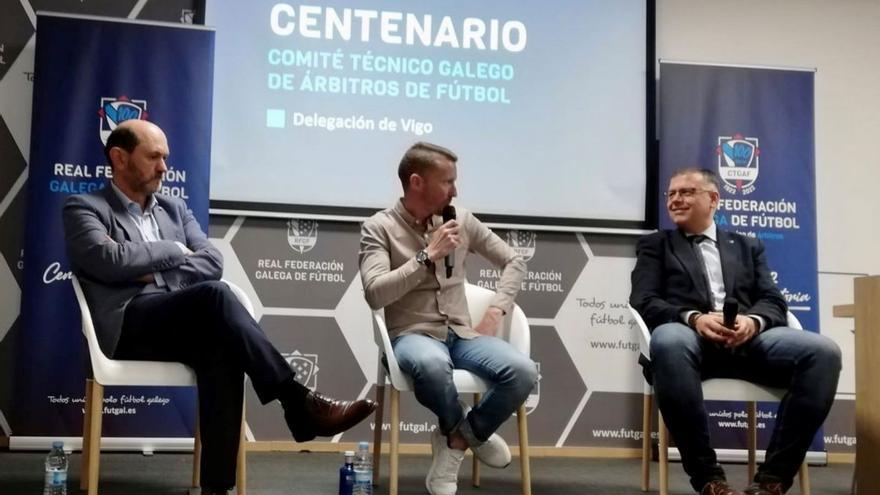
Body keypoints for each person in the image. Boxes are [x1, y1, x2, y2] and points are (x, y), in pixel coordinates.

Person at [63, 119, 376, 495]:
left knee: (222, 349)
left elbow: (212, 261)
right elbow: (107, 259)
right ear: (119, 158)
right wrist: (174, 251)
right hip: (129, 326)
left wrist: (153, 274)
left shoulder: (174, 209)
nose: (164, 167)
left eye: (165, 157)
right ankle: (298, 401)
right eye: (154, 157)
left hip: (180, 321)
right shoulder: (84, 207)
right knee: (215, 296)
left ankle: (217, 488)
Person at [630, 168, 841, 495]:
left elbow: (772, 300)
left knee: (824, 352)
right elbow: (643, 300)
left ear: (713, 199)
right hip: (689, 344)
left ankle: (772, 481)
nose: (675, 199)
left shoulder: (747, 246)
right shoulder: (656, 245)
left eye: (686, 192)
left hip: (749, 343)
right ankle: (708, 479)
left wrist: (753, 322)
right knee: (668, 339)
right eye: (671, 194)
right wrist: (693, 318)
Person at [359, 142, 538, 495]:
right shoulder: (378, 227)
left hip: (461, 334)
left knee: (523, 372)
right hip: (411, 335)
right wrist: (427, 255)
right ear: (416, 183)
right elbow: (375, 293)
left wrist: (495, 311)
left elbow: (514, 261)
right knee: (430, 365)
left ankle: (456, 441)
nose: (455, 190)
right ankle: (462, 429)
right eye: (448, 182)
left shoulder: (463, 219)